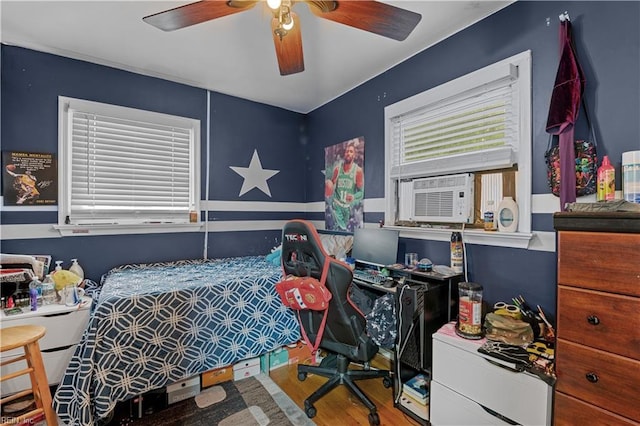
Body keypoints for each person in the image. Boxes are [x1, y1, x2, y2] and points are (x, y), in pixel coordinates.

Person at [325, 140, 364, 231]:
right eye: (347, 151)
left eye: (351, 152)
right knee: (341, 228)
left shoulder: (358, 171)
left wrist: (353, 196)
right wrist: (328, 186)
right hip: (337, 205)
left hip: (347, 208)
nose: (348, 153)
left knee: (345, 231)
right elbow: (331, 186)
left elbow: (361, 193)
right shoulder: (337, 169)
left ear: (354, 155)